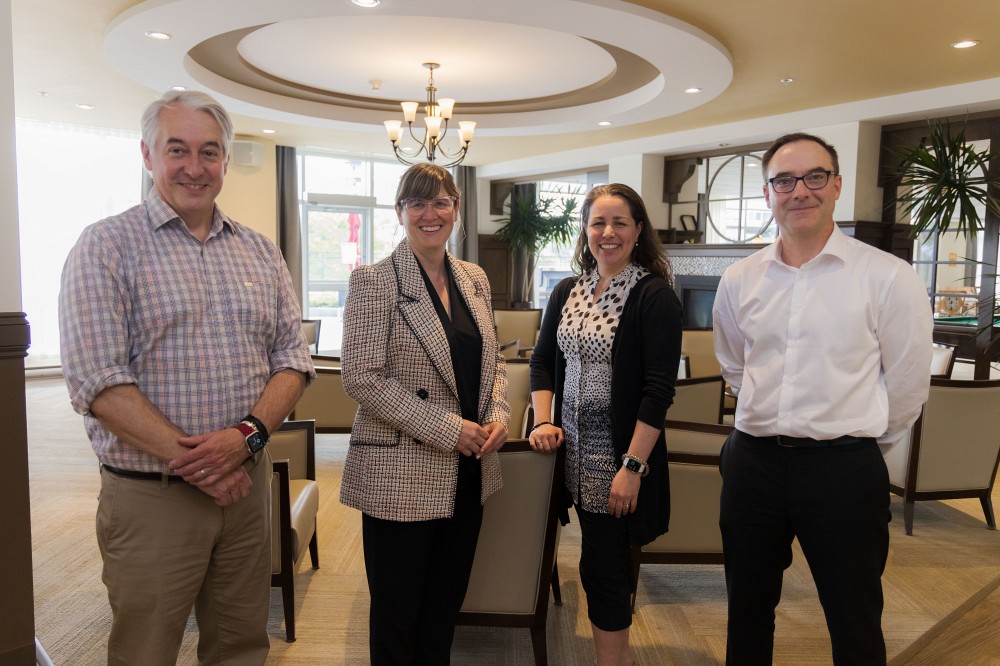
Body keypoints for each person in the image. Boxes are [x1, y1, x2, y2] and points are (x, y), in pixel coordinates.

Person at [59, 89, 314, 664]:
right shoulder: (105, 247)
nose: (194, 167)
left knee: (241, 646)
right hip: (153, 497)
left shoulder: (260, 251)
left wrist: (245, 438)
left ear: (225, 160)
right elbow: (98, 381)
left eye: (209, 152)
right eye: (177, 149)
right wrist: (203, 465)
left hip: (244, 489)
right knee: (146, 651)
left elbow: (292, 360)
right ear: (148, 155)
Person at [712, 132, 932, 665]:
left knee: (854, 616)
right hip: (753, 464)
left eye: (814, 176)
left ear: (836, 186)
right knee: (747, 610)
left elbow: (906, 386)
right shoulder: (740, 278)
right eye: (784, 180)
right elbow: (735, 365)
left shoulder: (887, 276)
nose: (800, 191)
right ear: (768, 193)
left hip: (843, 470)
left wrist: (857, 443)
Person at [339, 163, 509, 665]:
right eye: (417, 203)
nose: (429, 214)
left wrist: (498, 412)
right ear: (399, 212)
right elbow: (362, 377)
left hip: (469, 470)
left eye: (440, 202)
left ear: (456, 208)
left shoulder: (474, 279)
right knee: (398, 619)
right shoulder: (374, 281)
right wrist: (449, 429)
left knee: (442, 613)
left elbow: (494, 363)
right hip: (400, 475)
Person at [528, 183, 682, 666]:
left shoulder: (654, 296)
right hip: (563, 455)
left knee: (604, 568)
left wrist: (633, 467)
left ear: (638, 230)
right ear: (585, 230)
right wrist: (542, 420)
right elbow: (542, 362)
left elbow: (658, 391)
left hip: (614, 459)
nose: (608, 232)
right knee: (570, 554)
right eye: (598, 222)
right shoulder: (566, 290)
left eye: (619, 222)